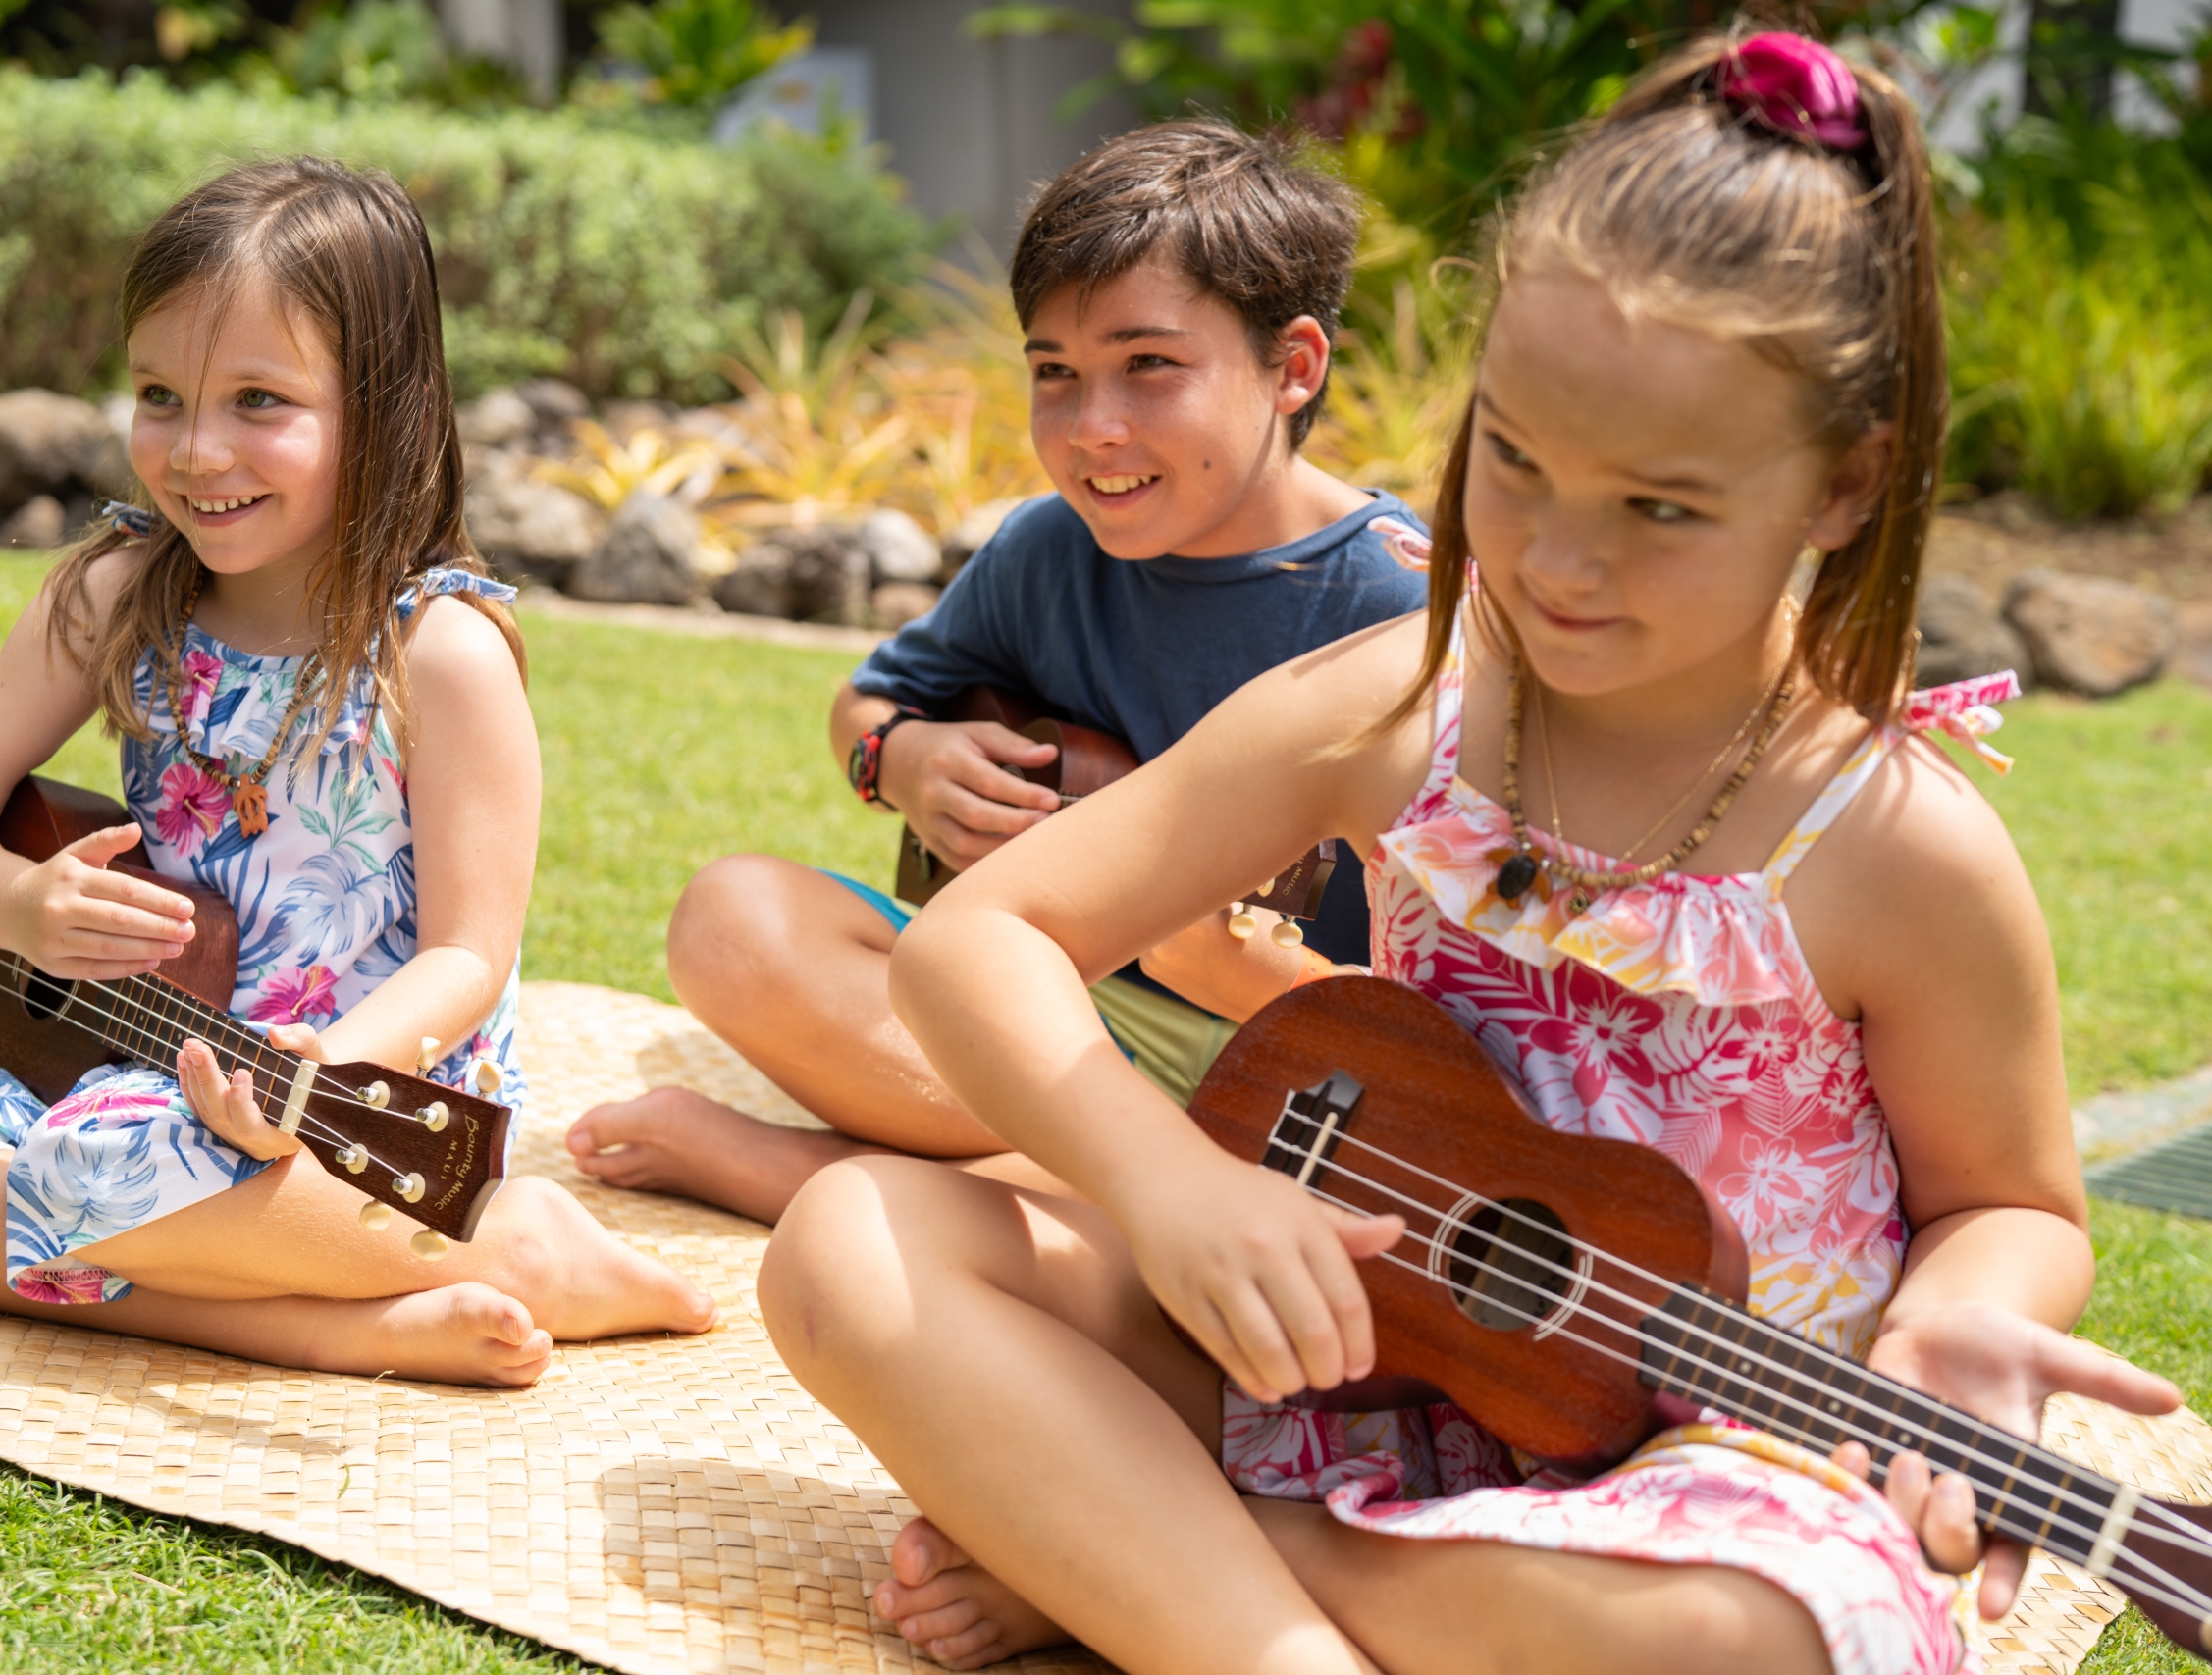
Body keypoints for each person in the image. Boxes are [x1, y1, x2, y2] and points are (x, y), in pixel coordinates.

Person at [758, 34, 2184, 1675]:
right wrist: (1167, 1192)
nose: (1559, 560)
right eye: (1512, 460)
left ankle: (1149, 1566)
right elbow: (975, 941)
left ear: (1846, 483)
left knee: (1748, 1641)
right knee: (855, 1242)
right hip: (1355, 1363)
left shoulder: (1897, 843)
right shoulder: (1398, 706)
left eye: (1659, 509)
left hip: (1705, 1475)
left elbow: (2012, 1199)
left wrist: (1953, 1315)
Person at [0, 158, 714, 1388]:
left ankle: (505, 1236)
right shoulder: (112, 595)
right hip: (134, 1073)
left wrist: (319, 1071)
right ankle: (358, 1321)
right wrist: (17, 908)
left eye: (259, 401)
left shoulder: (440, 654)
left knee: (72, 1181)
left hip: (365, 1113)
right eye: (160, 395)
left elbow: (466, 956)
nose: (196, 450)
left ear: (380, 411)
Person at [566, 121, 1431, 1224]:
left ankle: (822, 1174)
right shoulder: (1048, 549)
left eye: (1148, 366)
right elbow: (869, 702)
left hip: (1289, 1082)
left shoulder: (1402, 614)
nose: (1092, 428)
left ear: (1292, 367)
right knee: (729, 919)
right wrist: (902, 758)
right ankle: (1089, 1194)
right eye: (1054, 374)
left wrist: (1233, 972)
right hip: (1030, 1007)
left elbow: (1473, 1012)